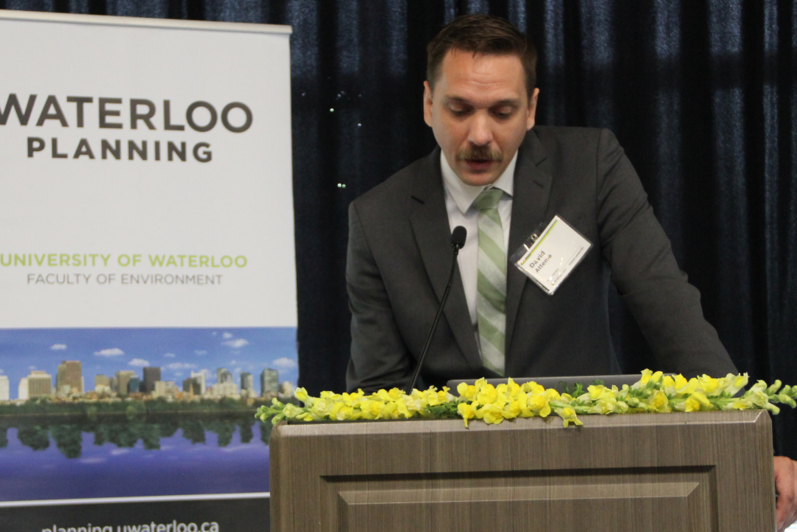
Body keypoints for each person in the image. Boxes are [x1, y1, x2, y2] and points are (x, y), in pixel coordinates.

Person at [344, 14, 797, 530]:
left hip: (582, 465)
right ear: (428, 103)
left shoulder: (590, 167)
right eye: (459, 108)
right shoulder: (378, 217)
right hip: (447, 485)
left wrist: (751, 441)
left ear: (532, 108)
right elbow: (378, 389)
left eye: (503, 111)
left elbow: (668, 306)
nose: (480, 134)